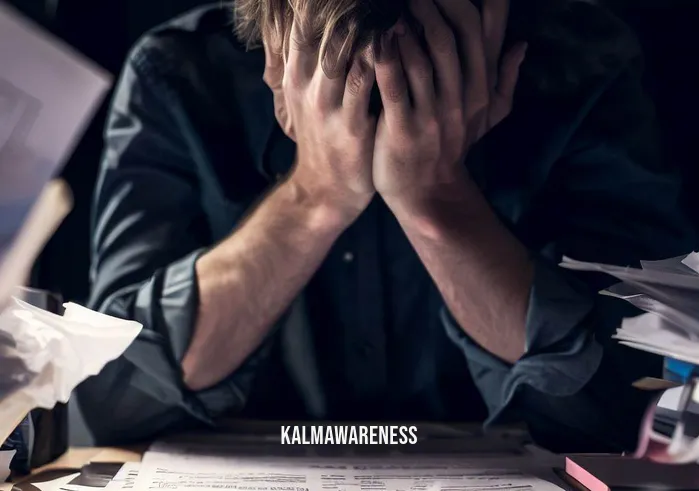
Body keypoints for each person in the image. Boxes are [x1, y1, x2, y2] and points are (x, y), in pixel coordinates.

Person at [78, 0, 695, 452]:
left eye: (427, 65)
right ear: (274, 54)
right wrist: (313, 195)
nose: (379, 110)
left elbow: (642, 409)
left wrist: (436, 203)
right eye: (339, 73)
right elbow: (106, 401)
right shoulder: (177, 74)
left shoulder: (584, 67)